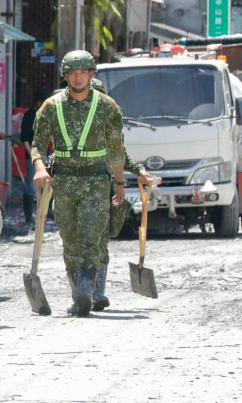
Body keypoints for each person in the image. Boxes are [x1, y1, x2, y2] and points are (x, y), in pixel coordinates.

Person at [30, 51, 126, 317]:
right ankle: (78, 293)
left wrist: (119, 183)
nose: (78, 77)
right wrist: (40, 168)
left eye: (83, 72)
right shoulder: (51, 106)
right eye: (73, 73)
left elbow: (116, 149)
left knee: (91, 236)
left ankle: (86, 287)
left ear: (91, 74)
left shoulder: (107, 106)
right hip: (64, 181)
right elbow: (37, 143)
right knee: (70, 239)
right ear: (66, 76)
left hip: (96, 180)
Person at [89, 78, 152, 311]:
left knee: (102, 240)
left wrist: (139, 170)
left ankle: (97, 293)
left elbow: (120, 153)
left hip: (106, 189)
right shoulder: (74, 123)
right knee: (81, 242)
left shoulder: (109, 124)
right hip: (80, 189)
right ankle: (84, 292)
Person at [19, 88, 51, 227]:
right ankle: (29, 217)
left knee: (48, 186)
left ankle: (46, 213)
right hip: (32, 157)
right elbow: (24, 138)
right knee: (31, 188)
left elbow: (50, 134)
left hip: (47, 156)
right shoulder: (29, 116)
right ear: (38, 103)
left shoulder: (45, 116)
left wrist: (55, 147)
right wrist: (32, 155)